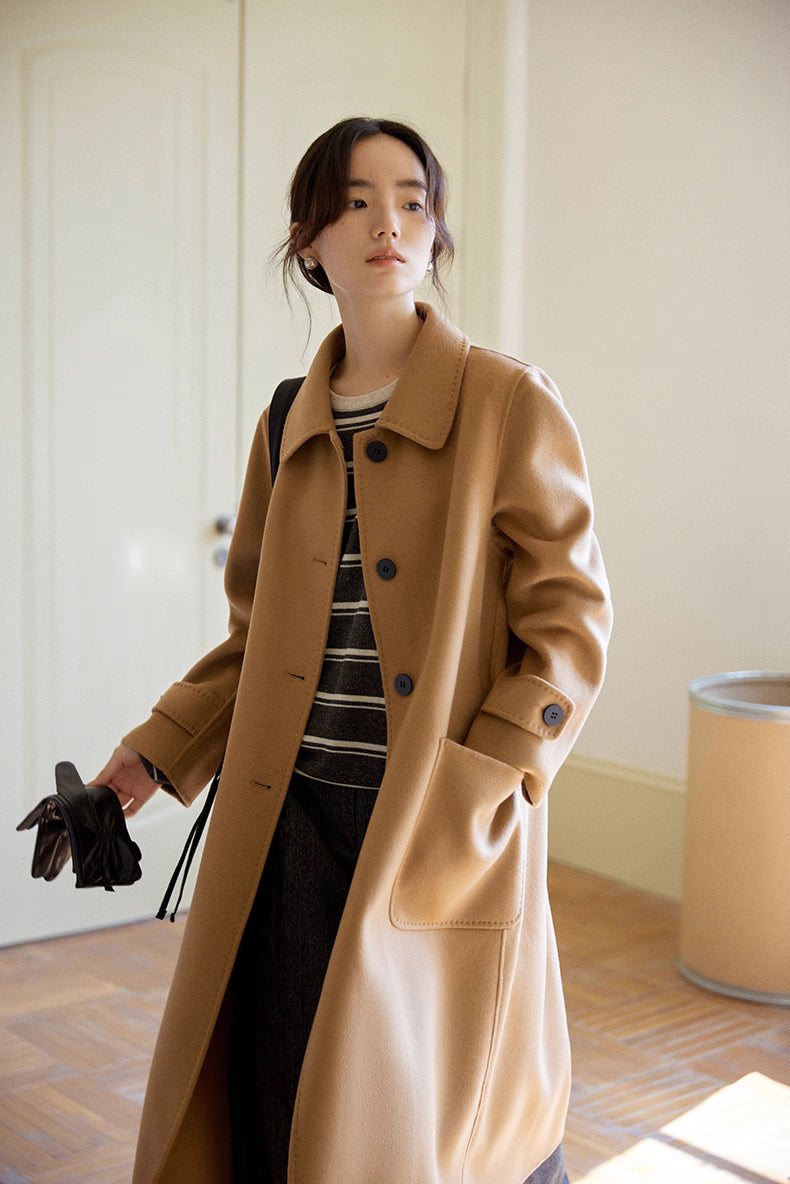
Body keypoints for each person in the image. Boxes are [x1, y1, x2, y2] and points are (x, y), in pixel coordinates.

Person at [93, 116, 612, 1184]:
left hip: (434, 822)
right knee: (290, 1110)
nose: (388, 220)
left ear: (435, 233)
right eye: (355, 200)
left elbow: (571, 618)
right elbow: (259, 639)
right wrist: (151, 756)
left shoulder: (509, 402)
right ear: (308, 241)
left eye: (413, 199)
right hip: (288, 819)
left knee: (431, 1119)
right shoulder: (288, 418)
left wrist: (489, 776)